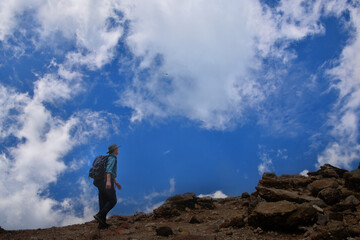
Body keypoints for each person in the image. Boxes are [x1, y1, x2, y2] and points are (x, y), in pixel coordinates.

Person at [93, 144, 122, 229]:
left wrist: (116, 183)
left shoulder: (107, 158)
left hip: (99, 182)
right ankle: (99, 215)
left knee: (103, 202)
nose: (118, 150)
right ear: (114, 150)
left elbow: (108, 171)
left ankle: (102, 224)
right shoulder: (112, 158)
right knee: (113, 200)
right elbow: (109, 170)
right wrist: (109, 182)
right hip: (106, 181)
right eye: (117, 149)